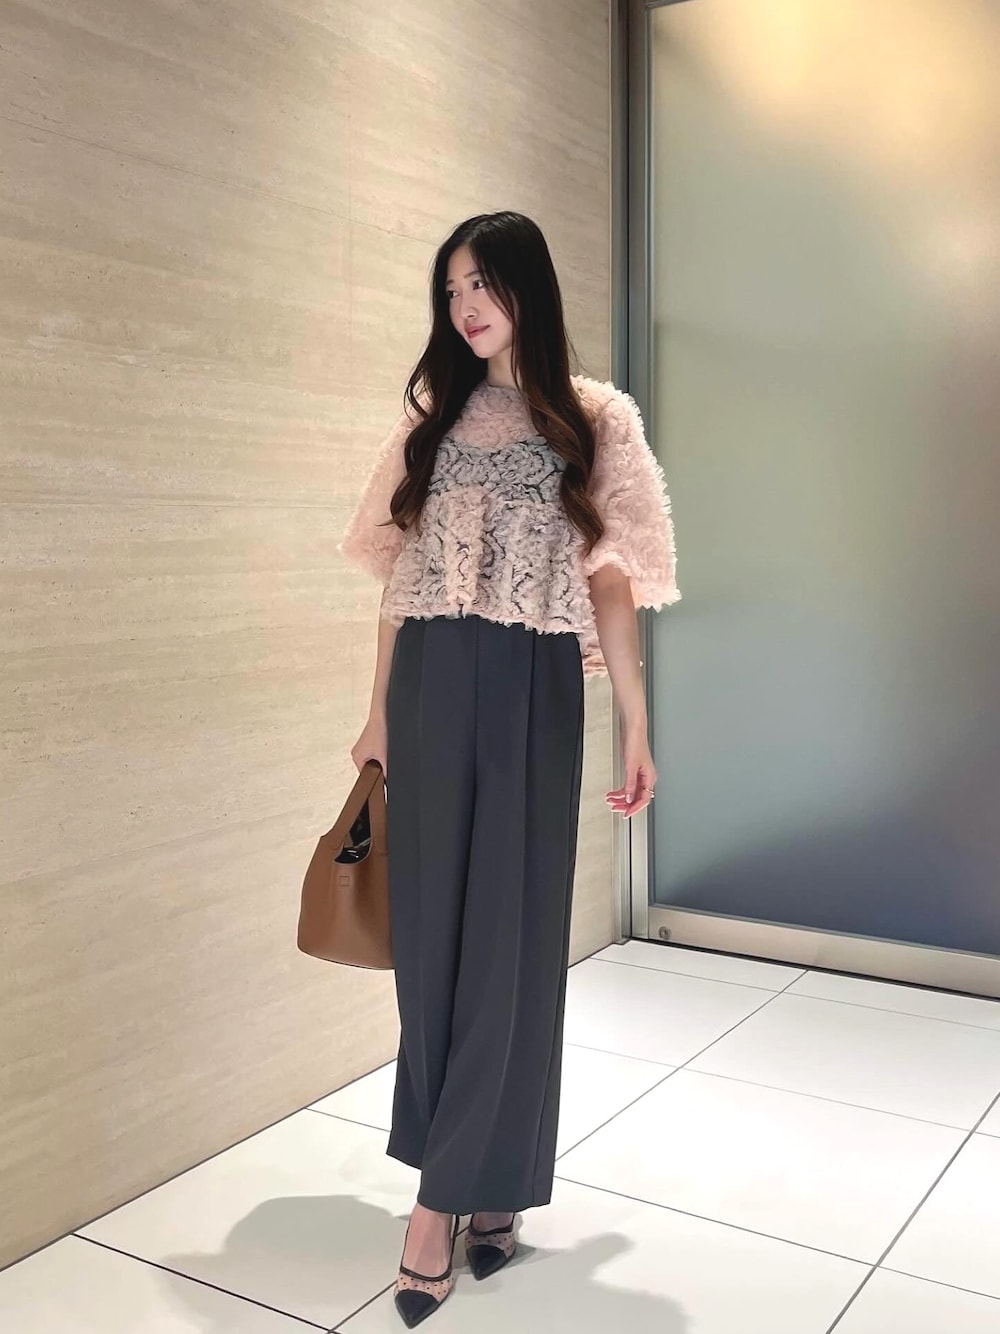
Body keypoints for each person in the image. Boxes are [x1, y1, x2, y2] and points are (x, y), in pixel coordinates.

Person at [337, 210, 680, 1327]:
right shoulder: (431, 424)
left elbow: (614, 583)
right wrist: (376, 715)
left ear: (528, 285)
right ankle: (463, 1189)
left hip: (535, 689)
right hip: (432, 687)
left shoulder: (596, 420)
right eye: (450, 290)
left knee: (515, 940)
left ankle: (454, 1196)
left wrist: (635, 723)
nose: (465, 306)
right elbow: (399, 583)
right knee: (433, 942)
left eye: (482, 282)